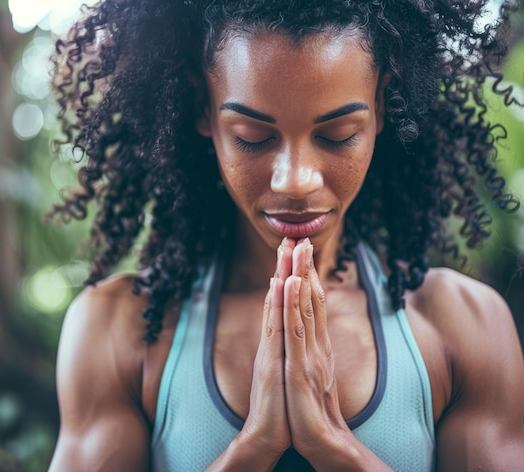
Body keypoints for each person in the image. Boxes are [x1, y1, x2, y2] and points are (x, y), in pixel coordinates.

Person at [47, 0, 524, 470]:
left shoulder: (464, 326)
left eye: (337, 134)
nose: (295, 181)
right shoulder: (116, 332)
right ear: (203, 110)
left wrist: (335, 448)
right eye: (253, 137)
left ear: (381, 107)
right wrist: (253, 447)